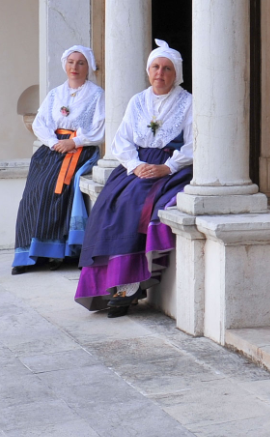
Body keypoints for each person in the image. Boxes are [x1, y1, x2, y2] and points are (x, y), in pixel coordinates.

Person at [75, 39, 193, 318]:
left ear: (176, 73)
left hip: (169, 167)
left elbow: (194, 144)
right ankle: (109, 285)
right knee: (108, 206)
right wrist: (134, 164)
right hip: (137, 166)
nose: (160, 74)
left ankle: (128, 289)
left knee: (135, 205)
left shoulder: (188, 103)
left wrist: (168, 167)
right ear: (148, 70)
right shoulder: (138, 100)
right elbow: (122, 139)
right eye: (155, 67)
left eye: (166, 68)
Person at [12, 46, 104, 274]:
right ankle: (28, 253)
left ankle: (54, 251)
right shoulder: (55, 94)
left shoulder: (96, 94)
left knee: (55, 187)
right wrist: (54, 143)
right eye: (71, 62)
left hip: (79, 148)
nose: (75, 67)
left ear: (88, 67)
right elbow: (39, 123)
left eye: (80, 63)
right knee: (34, 189)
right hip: (53, 146)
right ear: (65, 65)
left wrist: (73, 142)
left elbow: (100, 128)